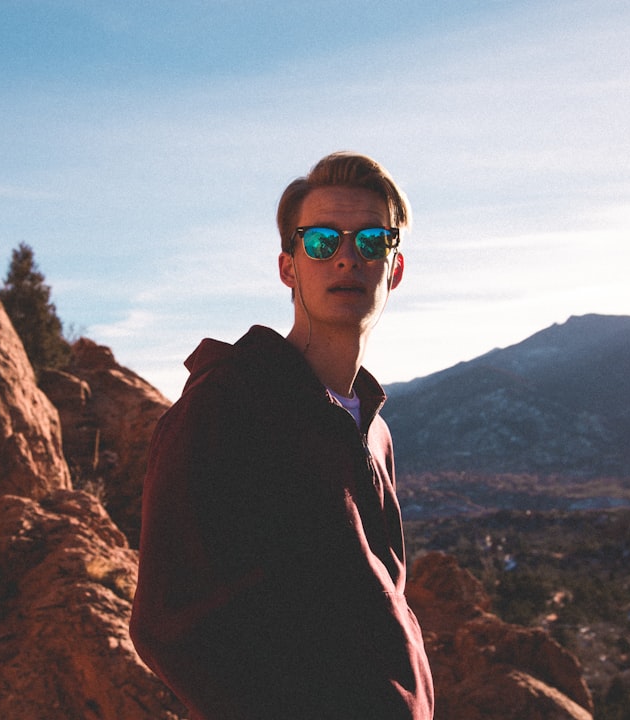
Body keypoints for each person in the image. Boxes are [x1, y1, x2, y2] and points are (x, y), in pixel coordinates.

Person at [130, 151, 434, 719]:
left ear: (394, 269)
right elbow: (168, 627)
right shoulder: (228, 404)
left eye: (371, 240)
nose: (346, 257)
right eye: (322, 241)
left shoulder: (374, 431)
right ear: (289, 267)